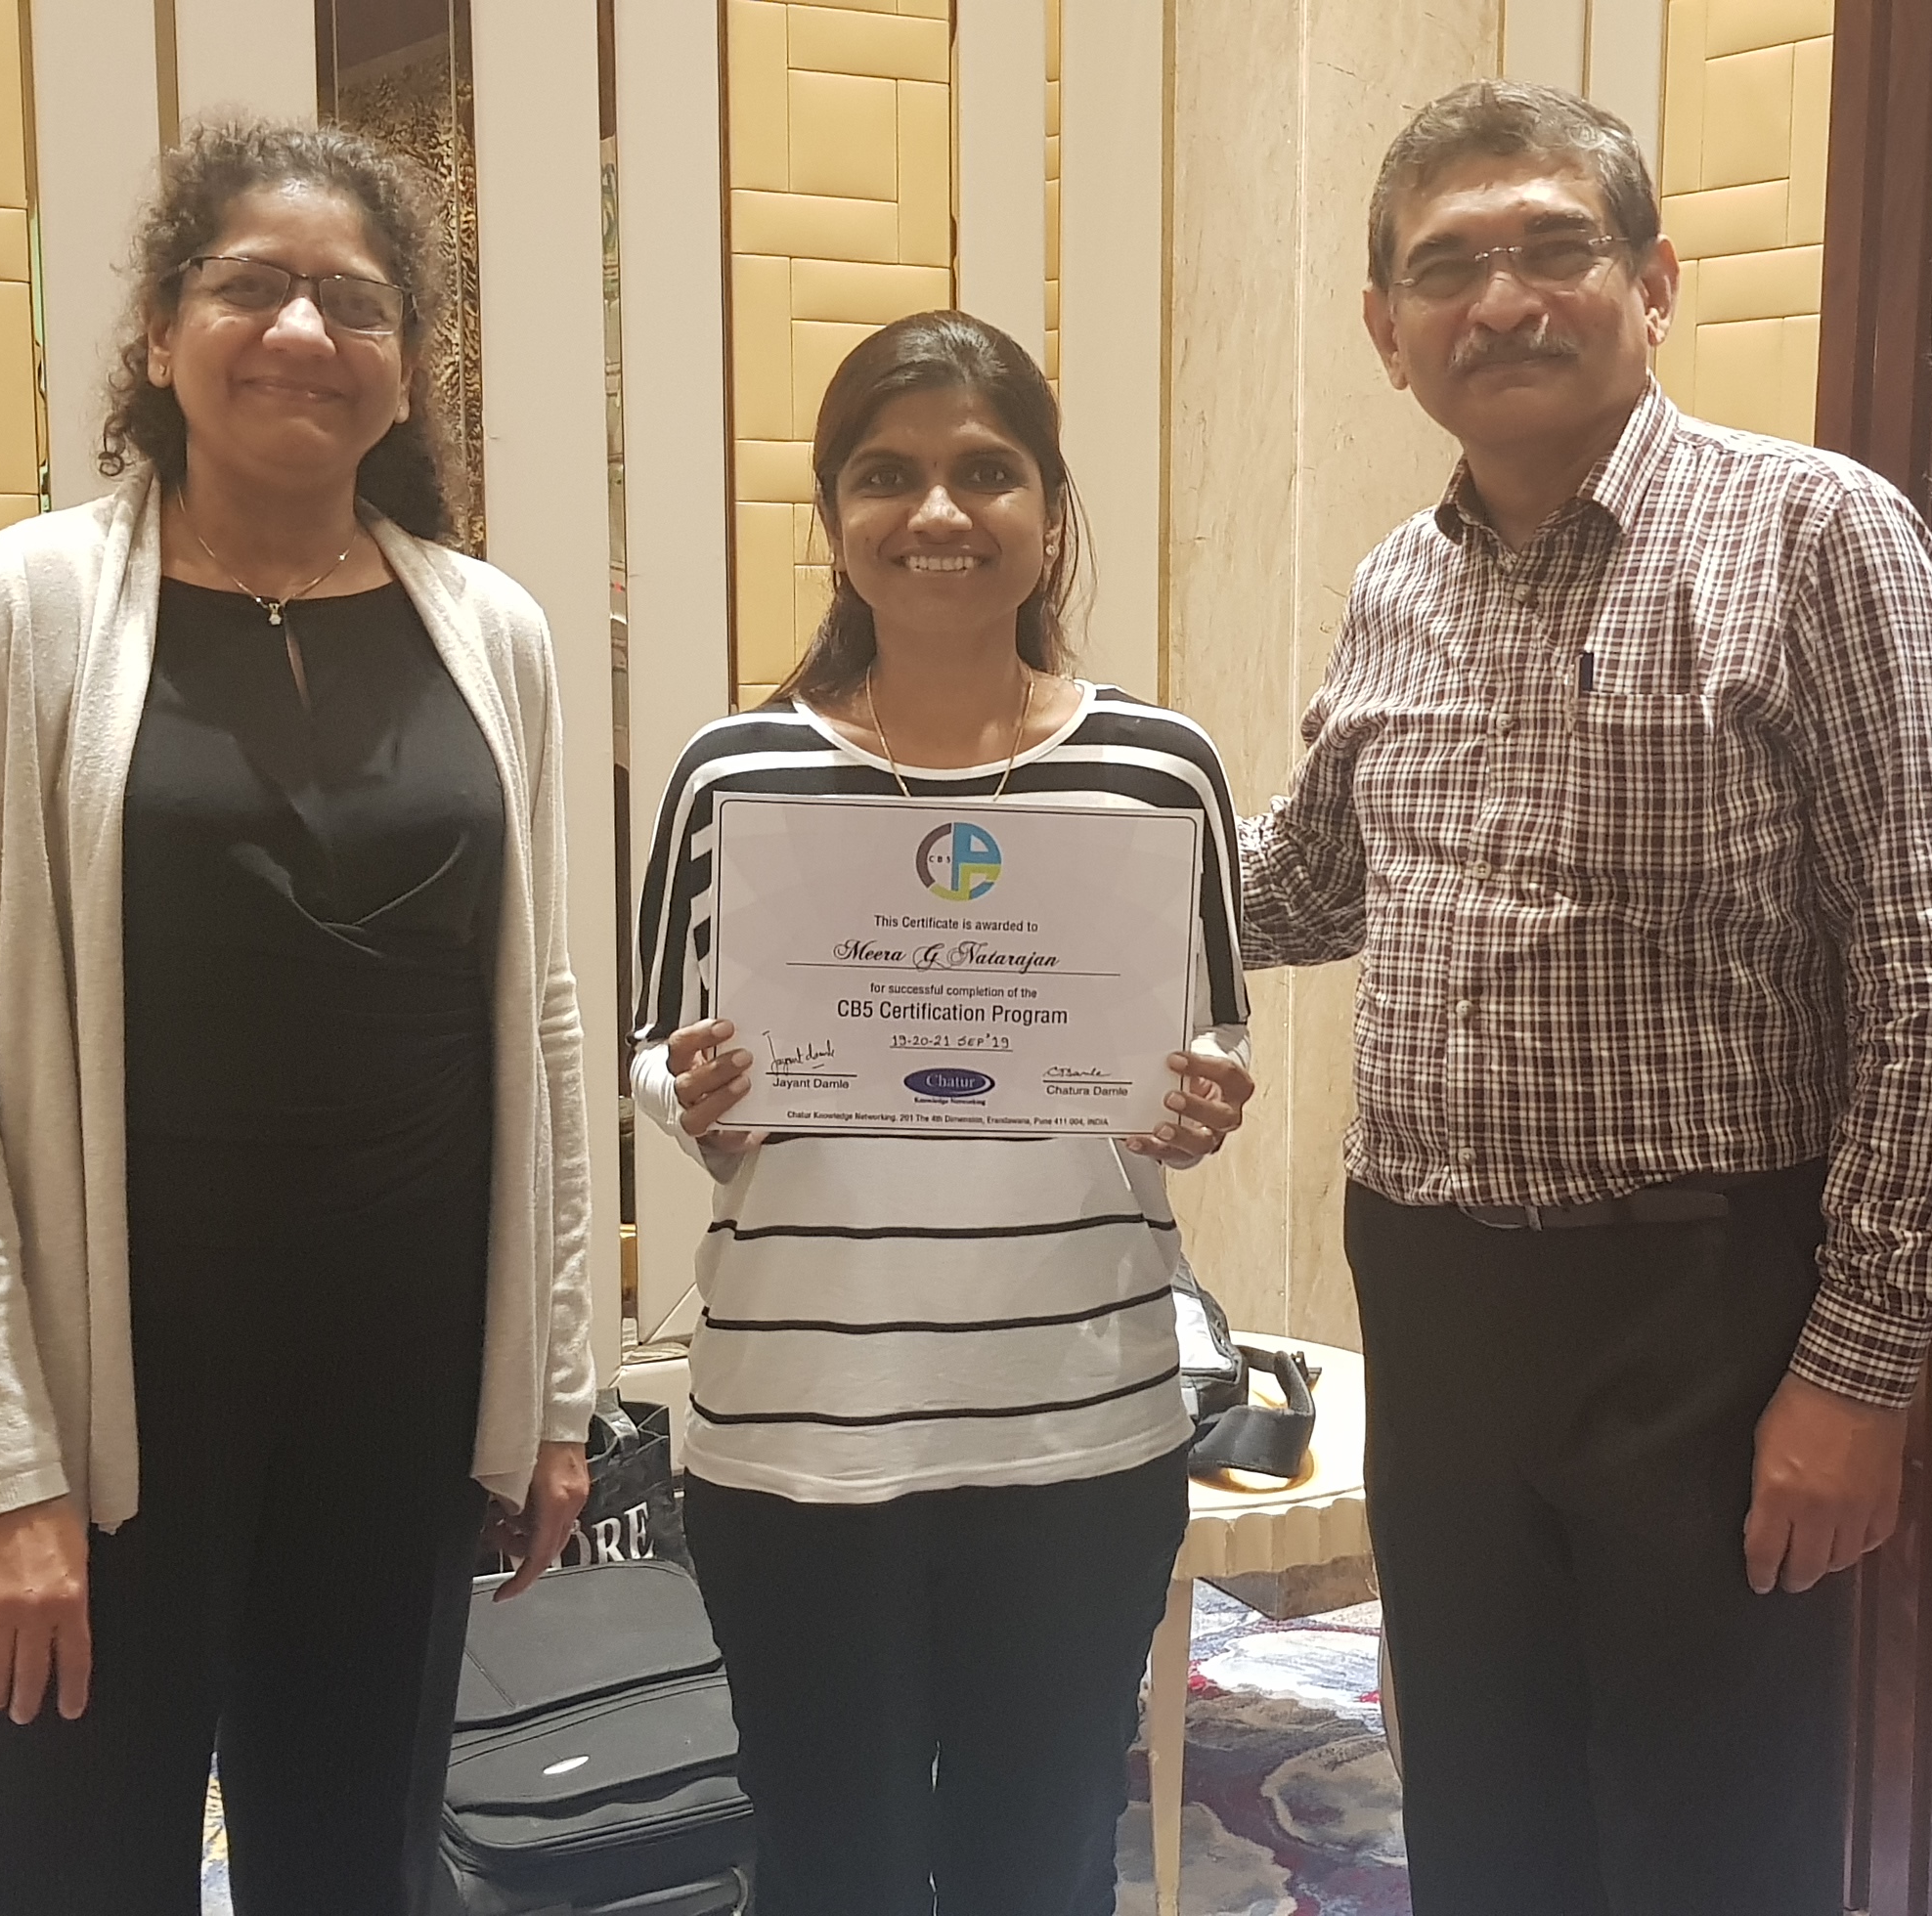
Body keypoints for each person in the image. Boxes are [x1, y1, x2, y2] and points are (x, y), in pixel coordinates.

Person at [1232, 82, 1932, 1914]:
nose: (1502, 300)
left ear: (1654, 282)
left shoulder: (1814, 535)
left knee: (1706, 1842)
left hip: (1704, 1308)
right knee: (1484, 1813)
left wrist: (1860, 1368)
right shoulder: (1397, 584)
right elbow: (1307, 883)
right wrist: (1041, 819)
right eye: (1449, 267)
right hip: (1436, 1300)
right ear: (1388, 331)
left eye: (1553, 247)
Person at [0, 120, 600, 1913]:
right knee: (63, 1869)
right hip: (115, 1399)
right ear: (157, 331)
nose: (302, 331)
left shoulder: (491, 631)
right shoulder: (18, 613)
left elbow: (545, 1023)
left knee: (354, 1868)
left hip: (403, 1378)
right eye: (249, 285)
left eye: (356, 301)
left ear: (407, 363)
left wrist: (554, 1390)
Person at [630, 310, 1260, 1915]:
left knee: (1038, 1860)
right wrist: (693, 1099)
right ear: (835, 517)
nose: (937, 512)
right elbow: (653, 1047)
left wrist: (1202, 1102)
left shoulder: (1161, 769)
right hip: (796, 1433)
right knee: (826, 1862)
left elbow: (1207, 1039)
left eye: (986, 472)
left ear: (1048, 510)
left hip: (1079, 1426)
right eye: (885, 475)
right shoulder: (729, 776)